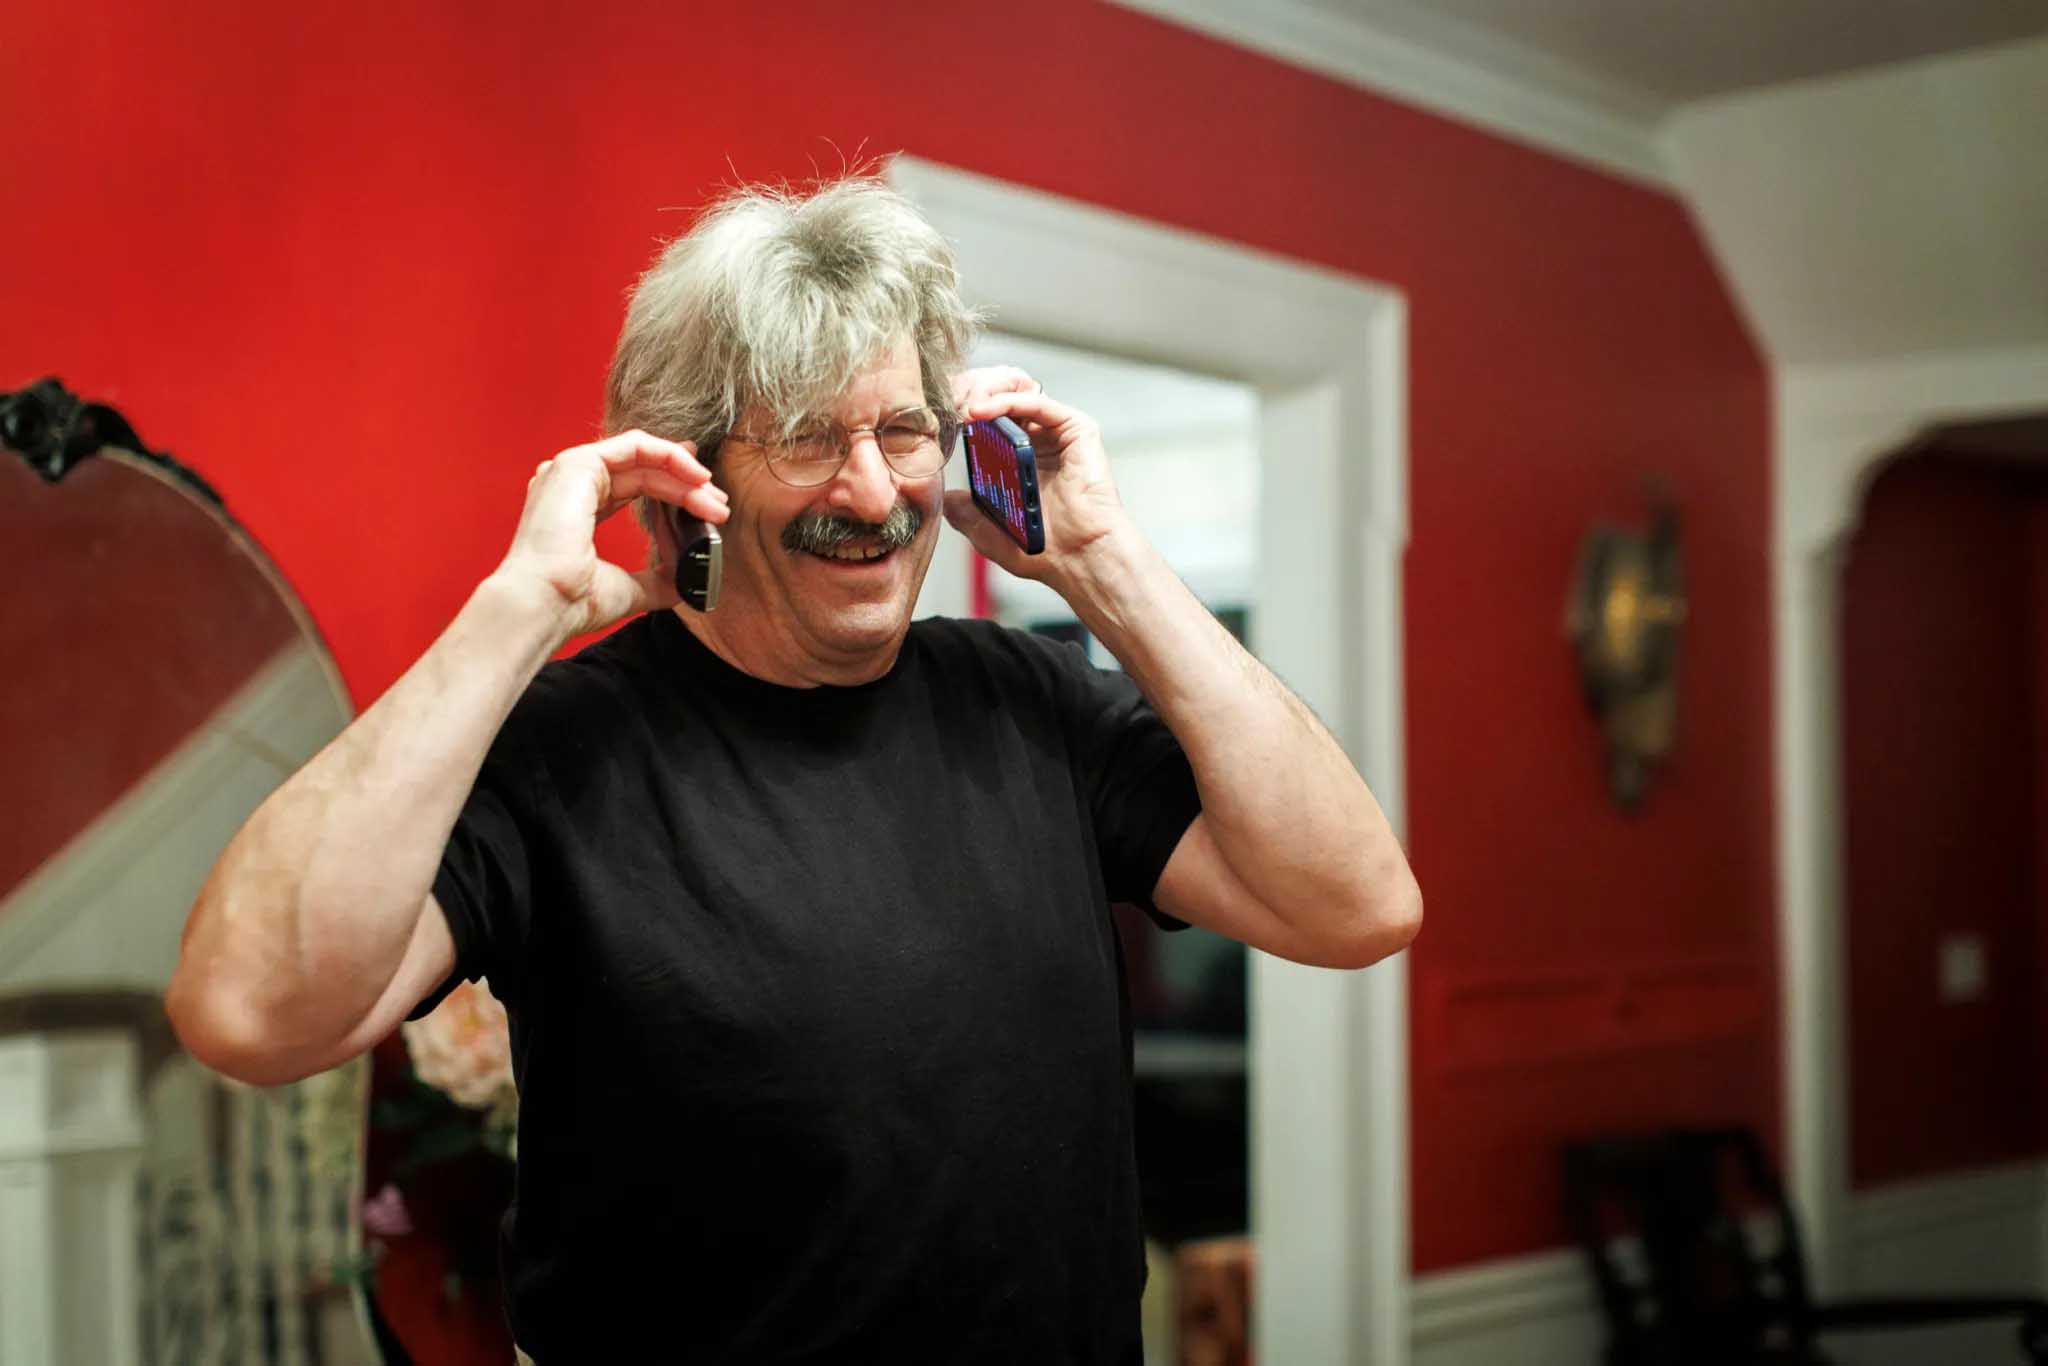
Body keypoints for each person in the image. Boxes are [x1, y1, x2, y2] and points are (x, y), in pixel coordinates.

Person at [168, 174, 1422, 1364]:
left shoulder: (1027, 703)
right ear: (691, 472)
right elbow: (250, 1012)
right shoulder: (565, 746)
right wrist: (519, 611)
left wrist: (1100, 560)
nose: (873, 490)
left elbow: (1356, 904)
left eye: (902, 429)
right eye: (810, 438)